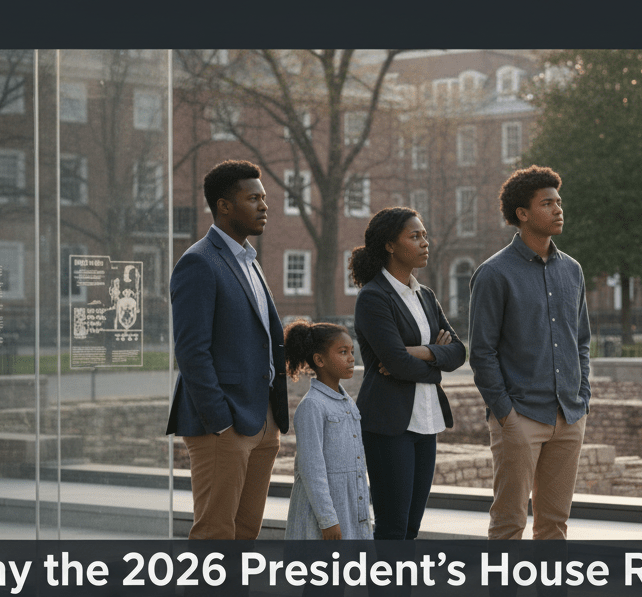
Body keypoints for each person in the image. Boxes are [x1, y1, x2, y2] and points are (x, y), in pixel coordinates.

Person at [469, 164, 603, 597]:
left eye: (559, 202)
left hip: (569, 415)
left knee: (555, 525)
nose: (557, 209)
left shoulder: (572, 270)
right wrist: (505, 413)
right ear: (522, 214)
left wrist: (582, 395)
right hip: (520, 417)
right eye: (547, 203)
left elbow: (582, 339)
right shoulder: (493, 273)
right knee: (508, 527)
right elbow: (480, 351)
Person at [166, 159, 288, 540]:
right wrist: (219, 420)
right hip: (224, 424)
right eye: (254, 198)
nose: (265, 206)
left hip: (263, 419)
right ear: (224, 205)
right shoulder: (199, 262)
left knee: (246, 531)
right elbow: (191, 352)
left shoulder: (250, 261)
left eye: (264, 198)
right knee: (215, 533)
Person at [350, 207, 465, 540]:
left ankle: (402, 594)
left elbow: (458, 351)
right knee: (392, 527)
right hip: (389, 424)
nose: (424, 242)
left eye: (424, 235)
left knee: (412, 527)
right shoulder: (373, 297)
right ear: (390, 245)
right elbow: (395, 364)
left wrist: (422, 352)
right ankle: (387, 595)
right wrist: (434, 363)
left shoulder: (424, 295)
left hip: (426, 422)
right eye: (415, 236)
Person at [282, 321, 372, 542]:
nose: (352, 358)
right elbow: (311, 469)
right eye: (343, 352)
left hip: (352, 514)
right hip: (323, 520)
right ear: (319, 360)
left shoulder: (348, 403)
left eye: (352, 351)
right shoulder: (312, 406)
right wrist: (328, 520)